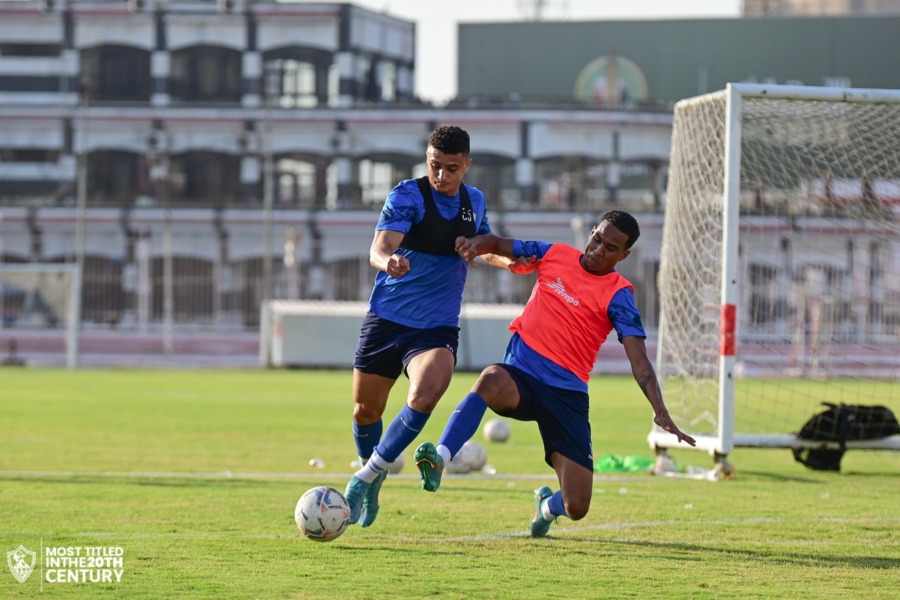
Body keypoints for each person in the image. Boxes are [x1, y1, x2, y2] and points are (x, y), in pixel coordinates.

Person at [413, 210, 697, 537]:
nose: (598, 250)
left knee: (578, 505)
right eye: (597, 239)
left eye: (610, 248)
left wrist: (660, 409)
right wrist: (473, 245)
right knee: (491, 378)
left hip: (566, 395)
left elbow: (640, 361)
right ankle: (441, 458)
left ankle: (546, 507)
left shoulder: (620, 295)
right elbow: (497, 243)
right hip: (521, 376)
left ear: (624, 255)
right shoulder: (554, 254)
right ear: (591, 232)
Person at [343, 125, 506, 528]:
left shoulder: (475, 202)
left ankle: (364, 478)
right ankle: (375, 473)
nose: (442, 176)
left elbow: (480, 245)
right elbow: (379, 248)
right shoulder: (407, 194)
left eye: (451, 168)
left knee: (428, 389)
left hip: (436, 327)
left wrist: (491, 254)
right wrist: (390, 262)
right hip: (387, 319)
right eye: (435, 166)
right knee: (366, 411)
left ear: (466, 165)